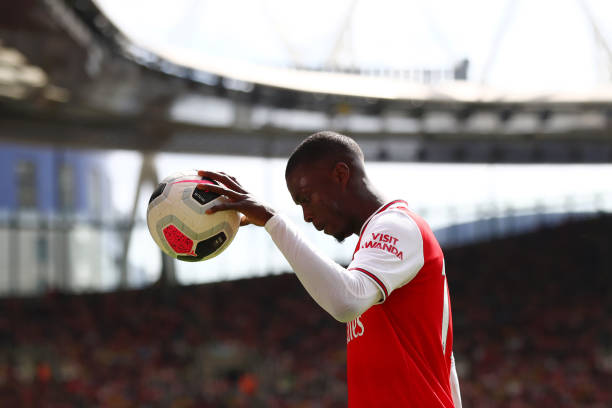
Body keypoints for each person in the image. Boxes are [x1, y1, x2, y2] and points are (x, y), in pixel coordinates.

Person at [197, 131, 462, 407]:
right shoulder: (372, 248)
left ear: (340, 174)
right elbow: (444, 359)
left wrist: (273, 222)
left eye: (306, 198)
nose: (306, 216)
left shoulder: (398, 225)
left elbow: (346, 301)